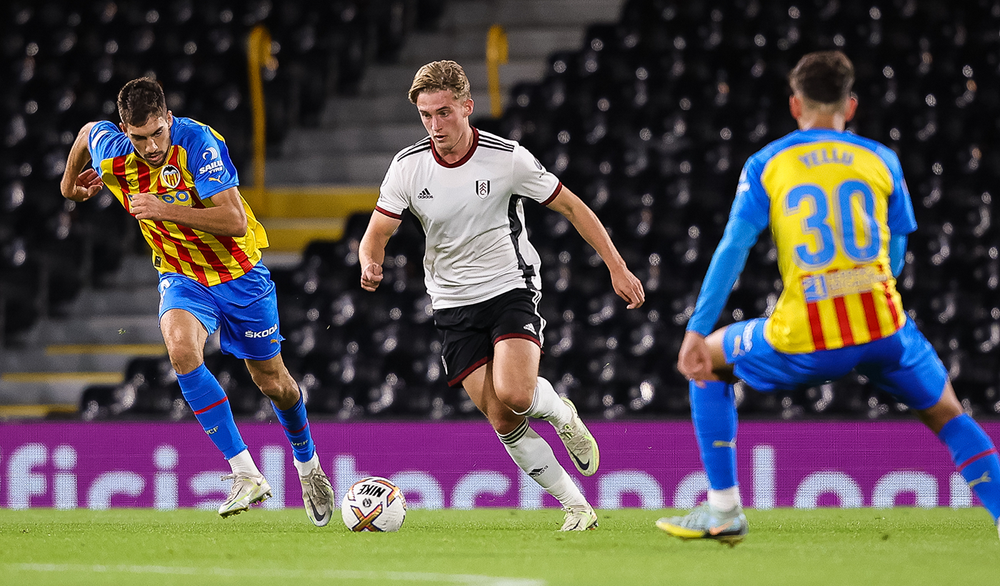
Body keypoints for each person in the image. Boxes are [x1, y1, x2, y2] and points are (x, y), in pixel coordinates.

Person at [658, 50, 1000, 545]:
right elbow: (898, 251)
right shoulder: (881, 159)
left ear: (796, 106)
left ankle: (724, 510)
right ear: (851, 105)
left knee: (708, 361)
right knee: (950, 414)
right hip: (885, 328)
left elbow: (734, 246)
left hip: (807, 335)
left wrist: (695, 328)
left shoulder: (768, 162)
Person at [359, 60, 645, 530]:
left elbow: (573, 206)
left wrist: (617, 266)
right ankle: (577, 507)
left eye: (444, 113)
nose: (435, 125)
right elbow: (376, 234)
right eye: (426, 115)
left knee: (515, 393)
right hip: (451, 302)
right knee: (501, 417)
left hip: (509, 286)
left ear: (467, 108)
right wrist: (370, 262)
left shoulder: (507, 158)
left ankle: (561, 414)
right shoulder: (407, 167)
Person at [60, 78, 336, 526]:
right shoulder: (111, 148)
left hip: (238, 274)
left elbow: (232, 219)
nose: (151, 147)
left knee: (274, 383)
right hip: (182, 275)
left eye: (157, 133)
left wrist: (164, 208)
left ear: (168, 119)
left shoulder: (197, 141)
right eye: (139, 138)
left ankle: (308, 467)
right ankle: (244, 473)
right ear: (124, 131)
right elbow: (85, 133)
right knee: (181, 351)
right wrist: (70, 184)